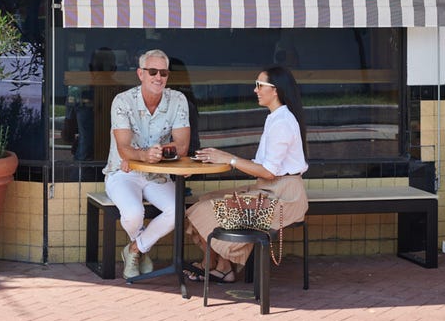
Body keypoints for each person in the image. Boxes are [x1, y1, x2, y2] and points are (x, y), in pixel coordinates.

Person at [184, 65, 309, 283]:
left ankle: (217, 266)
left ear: (276, 90)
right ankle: (221, 266)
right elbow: (266, 168)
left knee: (204, 210)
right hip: (270, 190)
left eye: (260, 85)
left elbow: (269, 172)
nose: (255, 90)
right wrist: (226, 158)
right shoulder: (275, 118)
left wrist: (229, 159)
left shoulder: (282, 122)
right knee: (202, 200)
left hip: (284, 199)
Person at [104, 49, 191, 279]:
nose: (158, 77)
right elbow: (123, 148)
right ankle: (141, 247)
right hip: (124, 171)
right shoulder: (122, 101)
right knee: (133, 213)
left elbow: (182, 146)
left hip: (158, 173)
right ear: (140, 73)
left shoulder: (178, 100)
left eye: (163, 72)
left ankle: (135, 249)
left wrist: (156, 155)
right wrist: (143, 156)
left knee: (176, 212)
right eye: (152, 71)